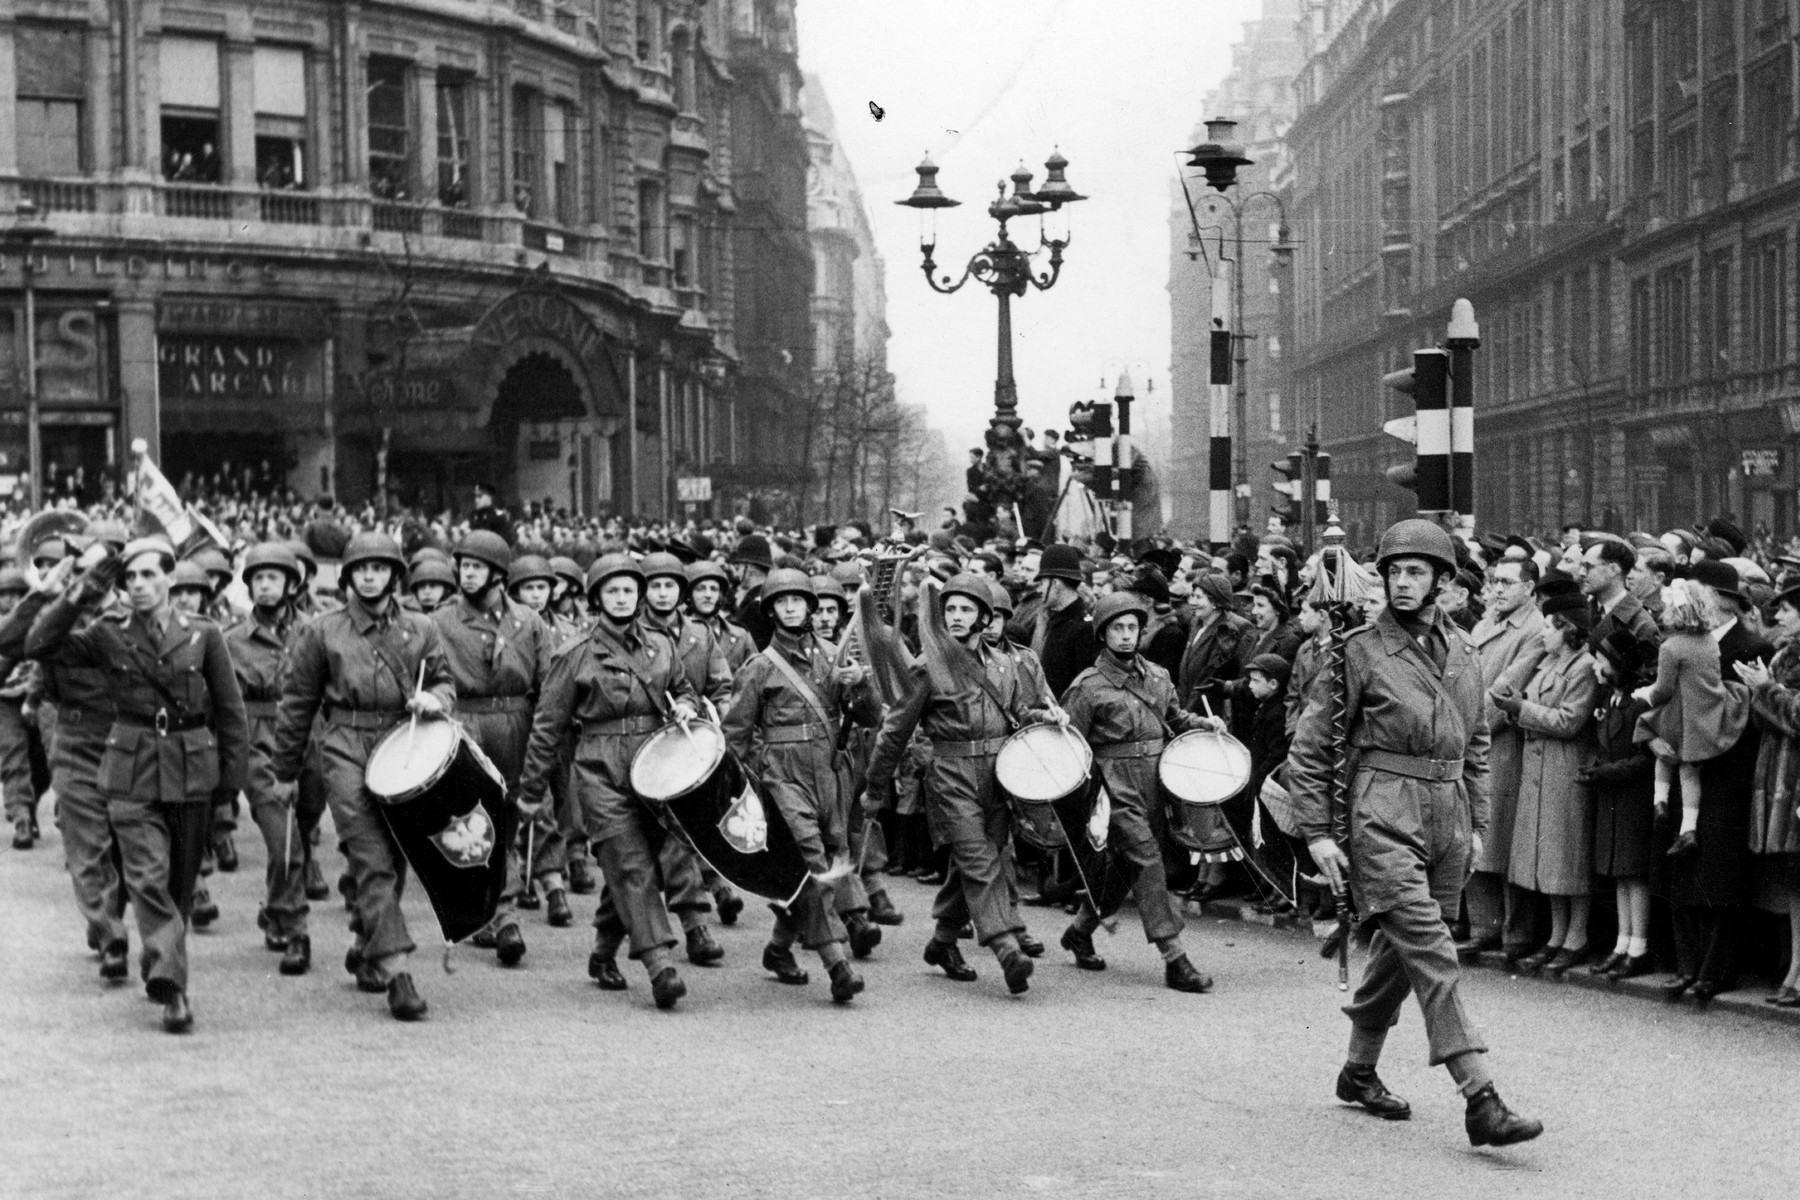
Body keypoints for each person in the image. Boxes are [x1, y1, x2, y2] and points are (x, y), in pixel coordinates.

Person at [1287, 519, 1541, 1147]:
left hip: (1447, 816)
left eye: (1416, 572)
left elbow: (1475, 744)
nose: (1402, 583)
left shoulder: (1465, 652)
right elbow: (1311, 750)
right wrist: (1318, 833)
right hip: (1382, 814)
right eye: (1394, 572)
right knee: (1431, 949)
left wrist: (1476, 824)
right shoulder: (1356, 650)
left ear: (1442, 582)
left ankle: (1358, 1071)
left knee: (1401, 955)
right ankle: (1480, 1096)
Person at [27, 538, 250, 1035]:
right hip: (131, 770)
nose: (140, 585)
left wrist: (229, 785)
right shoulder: (108, 633)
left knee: (178, 887)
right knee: (147, 877)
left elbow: (230, 710)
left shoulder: (204, 633)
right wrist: (79, 593)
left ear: (170, 577)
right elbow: (39, 645)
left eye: (150, 575)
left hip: (190, 768)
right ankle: (173, 985)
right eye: (131, 578)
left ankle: (161, 958)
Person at [272, 531, 455, 1022]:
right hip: (345, 747)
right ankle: (398, 973)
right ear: (348, 576)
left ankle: (365, 943)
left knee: (394, 856)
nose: (370, 577)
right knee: (371, 855)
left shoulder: (421, 628)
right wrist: (285, 771)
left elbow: (443, 679)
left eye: (379, 568)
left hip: (403, 746)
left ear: (395, 575)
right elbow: (297, 705)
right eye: (361, 569)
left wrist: (436, 698)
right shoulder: (323, 631)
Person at [517, 554, 700, 1009]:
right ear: (597, 597)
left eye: (628, 590)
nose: (621, 598)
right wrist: (531, 792)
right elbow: (547, 727)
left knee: (640, 864)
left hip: (655, 766)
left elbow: (683, 687)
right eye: (612, 591)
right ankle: (660, 965)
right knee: (630, 863)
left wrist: (686, 705)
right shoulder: (574, 653)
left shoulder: (661, 645)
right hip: (600, 769)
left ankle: (602, 953)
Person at [867, 573, 1059, 995]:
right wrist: (875, 787)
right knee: (979, 860)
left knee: (977, 862)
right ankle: (1006, 948)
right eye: (949, 608)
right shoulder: (927, 666)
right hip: (951, 777)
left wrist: (1046, 717)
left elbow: (1019, 713)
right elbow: (895, 730)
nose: (955, 616)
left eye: (966, 609)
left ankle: (942, 942)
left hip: (998, 777)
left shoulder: (1005, 664)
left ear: (984, 617)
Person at [722, 570, 880, 1003]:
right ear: (770, 611)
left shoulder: (835, 657)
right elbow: (735, 736)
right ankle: (837, 963)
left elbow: (870, 717)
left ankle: (778, 948)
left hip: (831, 772)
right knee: (813, 863)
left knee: (830, 857)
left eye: (798, 600)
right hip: (783, 777)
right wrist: (749, 787)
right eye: (782, 601)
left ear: (810, 606)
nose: (791, 608)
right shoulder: (759, 668)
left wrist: (861, 684)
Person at [1056, 591, 1215, 991]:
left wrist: (1204, 724)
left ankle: (1079, 931)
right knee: (1147, 859)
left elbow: (1174, 718)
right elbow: (1069, 748)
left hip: (1155, 782)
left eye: (1132, 628)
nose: (1127, 636)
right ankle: (1174, 958)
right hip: (1114, 785)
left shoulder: (1158, 676)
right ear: (1103, 634)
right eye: (1118, 628)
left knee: (1126, 867)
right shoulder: (1087, 687)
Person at [433, 531, 562, 966]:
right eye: (464, 566)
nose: (468, 574)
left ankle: (490, 910)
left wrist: (547, 732)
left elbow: (547, 684)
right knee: (475, 818)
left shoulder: (529, 621)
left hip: (517, 724)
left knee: (507, 819)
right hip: (467, 723)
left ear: (498, 574)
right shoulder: (441, 621)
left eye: (477, 567)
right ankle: (505, 917)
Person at [600, 551, 734, 969]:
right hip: (637, 750)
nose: (662, 593)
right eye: (654, 585)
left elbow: (719, 687)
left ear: (682, 591)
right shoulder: (632, 635)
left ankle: (692, 926)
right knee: (633, 852)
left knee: (673, 838)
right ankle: (615, 942)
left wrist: (709, 717)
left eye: (670, 586)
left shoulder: (699, 634)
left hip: (686, 748)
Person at [223, 542, 322, 976]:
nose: (265, 586)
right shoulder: (231, 640)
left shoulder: (315, 631)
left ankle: (277, 908)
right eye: (258, 578)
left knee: (300, 828)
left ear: (290, 585)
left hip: (308, 736)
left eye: (273, 578)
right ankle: (297, 930)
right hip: (258, 739)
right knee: (283, 833)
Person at [1493, 596, 1598, 976]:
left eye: (1550, 626)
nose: (1543, 633)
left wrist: (1520, 709)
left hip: (1566, 771)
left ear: (1568, 630)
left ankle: (1576, 936)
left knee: (1570, 858)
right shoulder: (1549, 662)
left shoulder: (1584, 667)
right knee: (1550, 858)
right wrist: (1517, 707)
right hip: (1541, 771)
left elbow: (1570, 721)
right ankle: (1557, 935)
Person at [1459, 556, 1546, 962]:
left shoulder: (1534, 630)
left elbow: (1505, 691)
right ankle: (1483, 926)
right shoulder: (1484, 624)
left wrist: (1466, 732)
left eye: (1507, 582)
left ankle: (1514, 931)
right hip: (1472, 740)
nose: (1496, 589)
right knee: (1475, 832)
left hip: (1503, 745)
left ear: (1529, 588)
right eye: (1494, 581)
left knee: (1504, 839)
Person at [1632, 577, 1750, 858]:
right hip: (1706, 712)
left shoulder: (1671, 647)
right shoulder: (1710, 641)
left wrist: (1644, 694)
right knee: (1689, 772)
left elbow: (1663, 690)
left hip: (1679, 713)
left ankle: (1659, 801)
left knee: (1663, 750)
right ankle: (1688, 829)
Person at [1734, 582, 1800, 1007]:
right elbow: (1766, 721)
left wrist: (1766, 690)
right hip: (1780, 781)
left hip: (1794, 784)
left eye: (1788, 610)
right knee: (1793, 883)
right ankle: (1795, 968)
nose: (1778, 617)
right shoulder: (1781, 657)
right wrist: (1759, 690)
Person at [1580, 630, 1656, 981]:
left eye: (1602, 661)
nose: (1597, 667)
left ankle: (1638, 947)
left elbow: (1646, 758)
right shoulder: (1612, 700)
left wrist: (1607, 772)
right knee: (1619, 872)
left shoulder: (1639, 703)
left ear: (1619, 664)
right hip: (1613, 795)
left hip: (1632, 797)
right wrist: (1597, 768)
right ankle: (1622, 943)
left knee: (1633, 873)